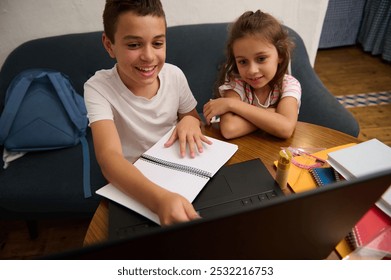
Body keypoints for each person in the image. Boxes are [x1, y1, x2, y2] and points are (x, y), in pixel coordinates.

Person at [84, 0, 212, 226]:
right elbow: (108, 158)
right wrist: (160, 200)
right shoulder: (97, 87)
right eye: (134, 45)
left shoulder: (174, 75)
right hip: (134, 180)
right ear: (109, 45)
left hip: (180, 168)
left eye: (158, 43)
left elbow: (191, 117)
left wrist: (191, 121)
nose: (149, 56)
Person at [203, 10, 301, 139]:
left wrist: (231, 104)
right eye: (243, 61)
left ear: (280, 55)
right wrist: (273, 114)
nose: (252, 70)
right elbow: (229, 129)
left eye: (261, 59)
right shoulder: (236, 84)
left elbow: (285, 129)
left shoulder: (288, 85)